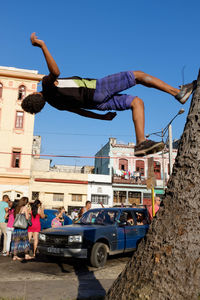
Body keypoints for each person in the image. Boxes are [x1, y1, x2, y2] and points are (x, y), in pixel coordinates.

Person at [21, 32, 197, 157]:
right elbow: (56, 71)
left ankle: (141, 142)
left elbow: (80, 112)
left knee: (137, 102)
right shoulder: (47, 84)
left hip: (97, 104)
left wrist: (103, 118)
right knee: (139, 75)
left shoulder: (55, 104)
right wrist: (42, 46)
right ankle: (178, 92)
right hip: (97, 89)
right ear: (35, 93)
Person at [11, 197, 33, 261]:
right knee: (25, 241)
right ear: (26, 202)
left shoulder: (17, 208)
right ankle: (27, 255)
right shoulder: (24, 208)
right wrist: (28, 214)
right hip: (23, 228)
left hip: (16, 228)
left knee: (16, 242)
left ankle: (14, 256)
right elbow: (27, 217)